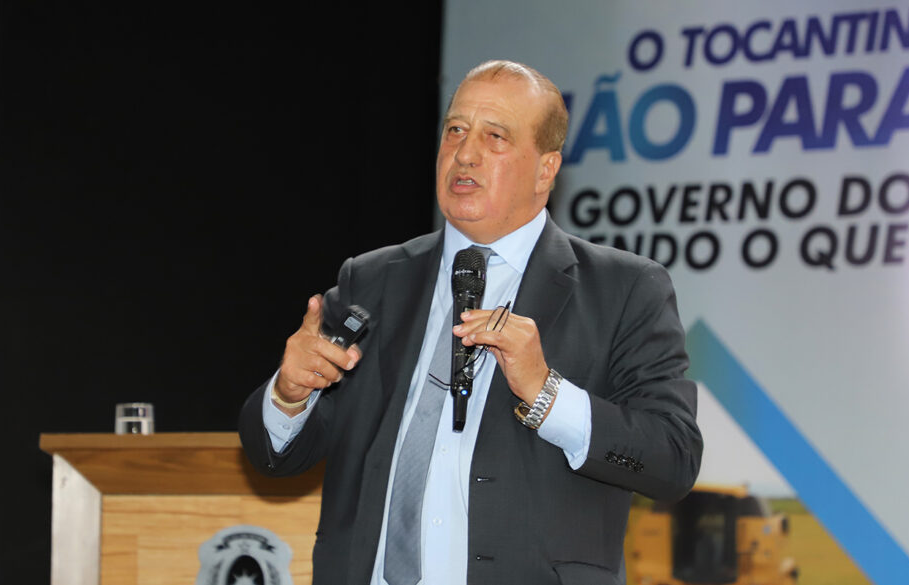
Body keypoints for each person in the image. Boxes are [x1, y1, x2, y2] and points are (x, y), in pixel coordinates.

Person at [239, 59, 702, 585]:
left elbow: (672, 460)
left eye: (495, 136)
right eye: (455, 129)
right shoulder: (371, 280)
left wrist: (547, 393)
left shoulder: (624, 290)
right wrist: (290, 394)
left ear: (546, 169)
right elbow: (277, 457)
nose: (464, 152)